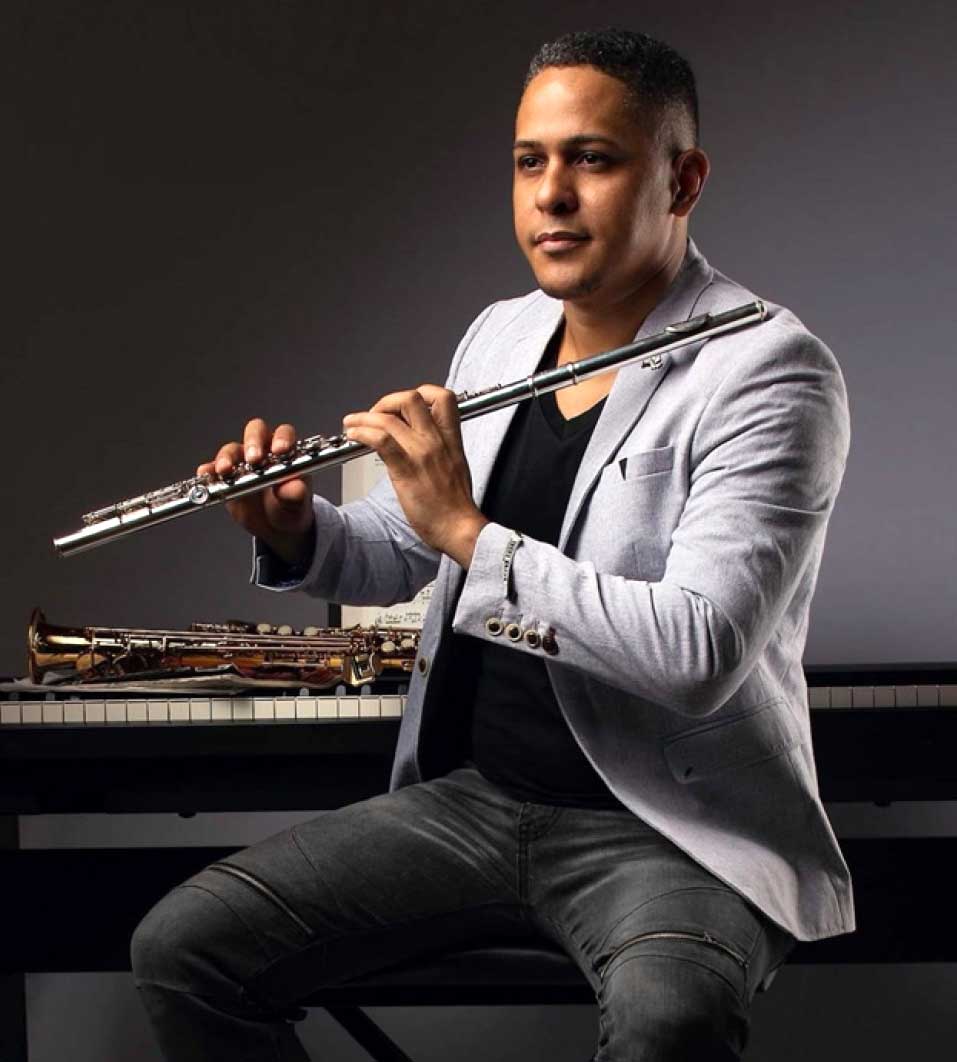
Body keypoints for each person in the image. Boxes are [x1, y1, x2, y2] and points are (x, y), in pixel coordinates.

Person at [131, 27, 854, 1061]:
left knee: (671, 1021)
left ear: (682, 179)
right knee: (182, 949)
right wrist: (301, 530)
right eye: (529, 161)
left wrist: (464, 530)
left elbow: (697, 652)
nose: (551, 195)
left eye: (592, 159)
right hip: (470, 801)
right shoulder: (503, 334)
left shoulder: (768, 369)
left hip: (665, 830)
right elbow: (411, 547)